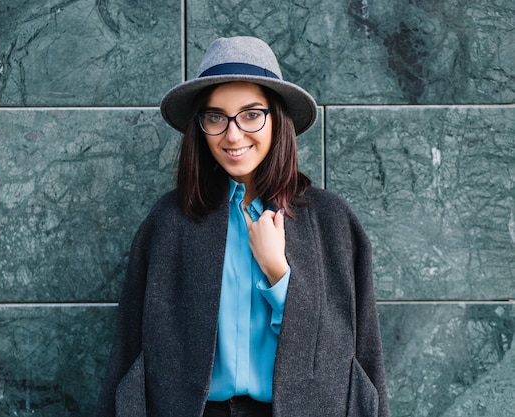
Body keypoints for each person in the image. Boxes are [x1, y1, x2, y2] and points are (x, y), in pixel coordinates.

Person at [96, 36, 390, 417]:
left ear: (276, 118)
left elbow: (355, 352)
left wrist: (278, 271)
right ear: (201, 127)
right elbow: (129, 351)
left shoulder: (332, 221)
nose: (232, 135)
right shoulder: (170, 221)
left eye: (251, 114)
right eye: (216, 117)